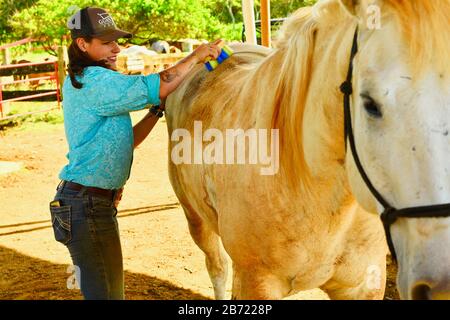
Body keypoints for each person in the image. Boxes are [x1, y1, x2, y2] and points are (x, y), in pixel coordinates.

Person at [50, 7, 221, 300]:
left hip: (87, 203)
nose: (116, 48)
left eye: (116, 41)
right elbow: (160, 83)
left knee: (107, 291)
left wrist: (156, 111)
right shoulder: (94, 81)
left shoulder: (87, 81)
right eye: (106, 42)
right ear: (82, 44)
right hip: (87, 206)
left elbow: (127, 141)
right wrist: (197, 56)